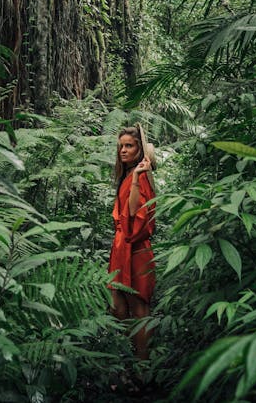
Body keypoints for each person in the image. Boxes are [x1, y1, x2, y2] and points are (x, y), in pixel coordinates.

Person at [108, 125, 156, 365]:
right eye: (121, 146)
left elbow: (135, 216)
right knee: (117, 307)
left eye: (129, 146)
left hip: (136, 249)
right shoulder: (126, 175)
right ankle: (127, 364)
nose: (123, 150)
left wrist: (137, 177)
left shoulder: (141, 177)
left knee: (139, 310)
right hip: (120, 249)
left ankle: (142, 368)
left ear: (140, 149)